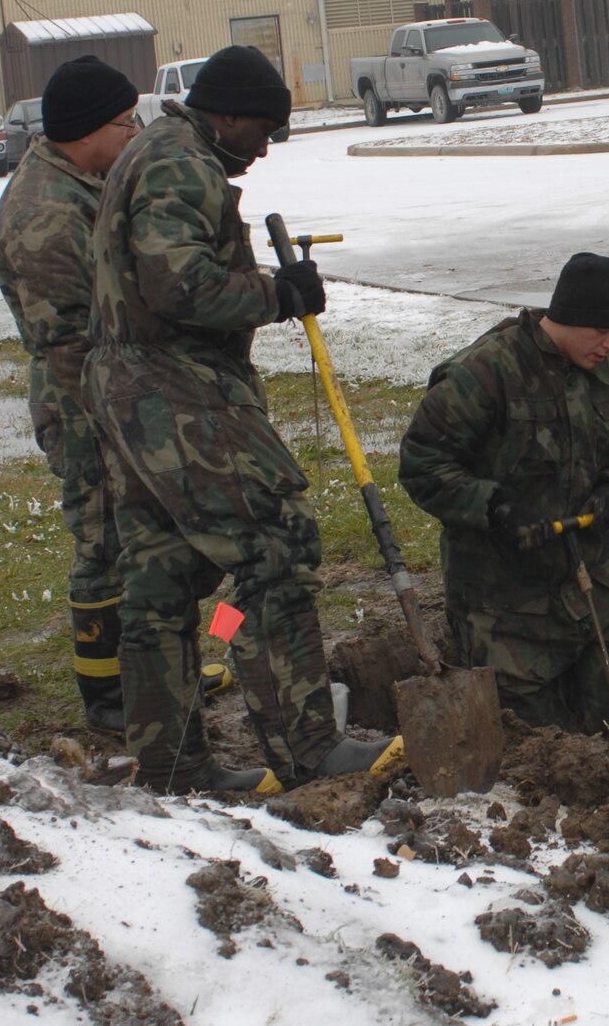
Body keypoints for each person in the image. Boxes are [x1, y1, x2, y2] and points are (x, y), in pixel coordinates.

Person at [85, 45, 398, 792]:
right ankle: (308, 750)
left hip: (131, 385)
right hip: (172, 388)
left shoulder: (162, 153)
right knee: (271, 543)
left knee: (161, 575)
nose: (265, 148)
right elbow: (178, 285)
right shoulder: (179, 164)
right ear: (225, 114)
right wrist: (278, 295)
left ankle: (171, 767)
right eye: (262, 129)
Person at [397, 253, 609, 731]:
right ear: (567, 316)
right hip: (502, 592)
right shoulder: (486, 371)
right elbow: (423, 464)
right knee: (535, 742)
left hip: (591, 578)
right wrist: (496, 506)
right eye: (601, 331)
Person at [0, 57, 142, 732]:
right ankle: (109, 697)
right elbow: (69, 340)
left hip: (110, 390)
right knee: (102, 542)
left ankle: (155, 671)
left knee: (137, 538)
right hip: (83, 402)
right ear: (89, 130)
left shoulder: (81, 181)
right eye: (126, 122)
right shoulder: (46, 213)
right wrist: (120, 416)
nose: (136, 132)